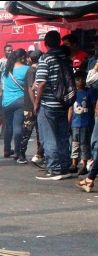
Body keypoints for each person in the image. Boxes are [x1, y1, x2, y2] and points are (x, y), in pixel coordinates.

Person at [34, 31, 77, 181]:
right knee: (62, 136)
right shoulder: (65, 57)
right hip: (64, 103)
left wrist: (36, 103)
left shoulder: (45, 58)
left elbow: (42, 83)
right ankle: (65, 166)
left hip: (48, 103)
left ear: (45, 43)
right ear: (59, 42)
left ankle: (55, 168)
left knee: (49, 137)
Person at [1, 48, 29, 163]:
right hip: (20, 101)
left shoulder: (6, 71)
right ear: (22, 57)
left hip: (6, 102)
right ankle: (17, 152)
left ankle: (7, 149)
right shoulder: (26, 69)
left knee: (8, 127)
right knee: (18, 127)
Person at [69, 71, 96, 175]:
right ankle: (74, 163)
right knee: (74, 143)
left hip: (86, 123)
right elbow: (70, 109)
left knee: (84, 144)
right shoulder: (73, 93)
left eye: (82, 79)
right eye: (77, 79)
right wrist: (69, 122)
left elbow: (94, 107)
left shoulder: (89, 92)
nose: (80, 81)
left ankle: (84, 165)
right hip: (75, 123)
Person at [21, 51, 44, 166]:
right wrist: (35, 103)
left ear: (30, 59)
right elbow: (31, 89)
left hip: (31, 106)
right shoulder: (32, 71)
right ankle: (22, 154)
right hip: (31, 106)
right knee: (29, 131)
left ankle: (39, 154)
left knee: (35, 131)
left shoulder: (32, 70)